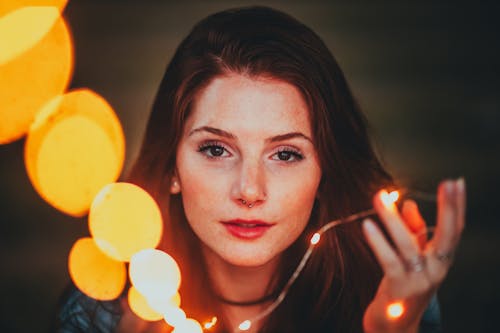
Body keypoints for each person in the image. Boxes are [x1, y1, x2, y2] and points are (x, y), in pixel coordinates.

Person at [53, 6, 465, 333]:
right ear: (172, 165)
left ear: (325, 170)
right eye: (216, 149)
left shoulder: (390, 294)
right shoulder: (102, 306)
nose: (250, 190)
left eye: (285, 154)